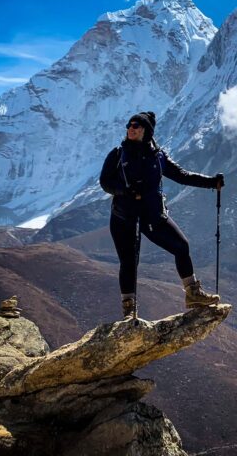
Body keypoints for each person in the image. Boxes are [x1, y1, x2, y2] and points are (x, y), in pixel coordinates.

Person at [99, 111, 224, 319]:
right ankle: (129, 312)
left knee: (181, 246)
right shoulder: (118, 154)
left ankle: (193, 294)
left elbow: (181, 176)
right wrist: (125, 191)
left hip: (152, 215)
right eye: (129, 125)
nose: (131, 128)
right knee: (129, 262)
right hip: (124, 218)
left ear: (146, 130)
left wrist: (212, 182)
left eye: (136, 125)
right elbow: (105, 182)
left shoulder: (158, 156)